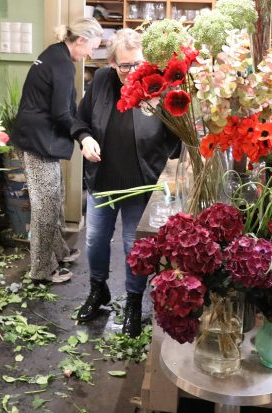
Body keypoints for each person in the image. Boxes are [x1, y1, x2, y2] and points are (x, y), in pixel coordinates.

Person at [71, 29, 179, 336]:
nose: (132, 73)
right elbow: (80, 121)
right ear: (113, 64)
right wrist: (86, 138)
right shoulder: (102, 82)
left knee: (135, 246)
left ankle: (133, 301)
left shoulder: (158, 84)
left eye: (138, 64)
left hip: (140, 183)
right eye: (125, 66)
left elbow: (177, 137)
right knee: (94, 240)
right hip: (102, 179)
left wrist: (166, 172)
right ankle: (98, 290)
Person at [12, 17, 104, 284]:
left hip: (36, 136)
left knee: (56, 196)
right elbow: (62, 113)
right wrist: (83, 137)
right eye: (91, 48)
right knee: (46, 206)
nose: (90, 54)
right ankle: (41, 269)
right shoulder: (62, 64)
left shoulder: (53, 53)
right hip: (39, 141)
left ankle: (59, 251)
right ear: (81, 40)